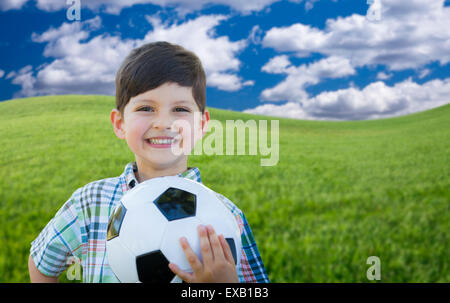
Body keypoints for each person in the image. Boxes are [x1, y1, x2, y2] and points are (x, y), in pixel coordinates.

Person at [28, 41, 269, 283]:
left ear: (202, 124)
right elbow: (41, 262)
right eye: (146, 108)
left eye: (180, 110)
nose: (163, 123)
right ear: (120, 123)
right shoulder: (90, 202)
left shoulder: (226, 216)